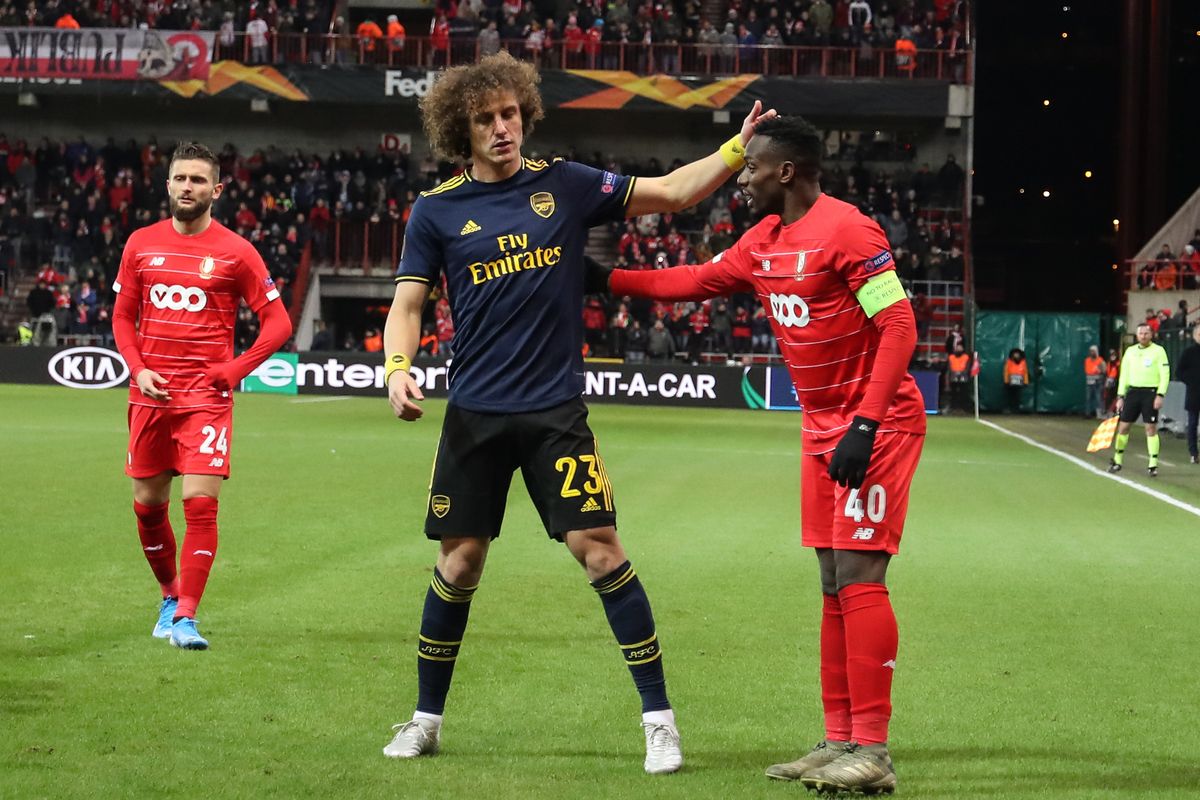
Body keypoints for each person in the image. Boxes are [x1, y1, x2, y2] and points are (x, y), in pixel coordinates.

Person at [380, 50, 776, 773]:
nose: (501, 129)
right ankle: (425, 719)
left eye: (508, 114)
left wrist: (733, 148)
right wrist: (398, 367)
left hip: (554, 412)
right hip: (473, 415)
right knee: (459, 564)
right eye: (484, 120)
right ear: (458, 131)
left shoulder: (566, 184)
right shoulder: (436, 210)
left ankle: (660, 721)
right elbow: (408, 305)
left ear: (524, 114)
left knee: (600, 551)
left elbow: (672, 193)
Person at [591, 115, 924, 795]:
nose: (740, 180)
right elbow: (691, 281)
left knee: (861, 576)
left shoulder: (850, 229)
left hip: (877, 425)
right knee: (833, 581)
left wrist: (864, 424)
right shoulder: (763, 241)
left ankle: (875, 751)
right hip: (821, 430)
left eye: (751, 169)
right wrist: (605, 281)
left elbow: (899, 324)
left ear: (786, 172)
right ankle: (840, 740)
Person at [111, 142, 292, 650]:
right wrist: (138, 368)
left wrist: (234, 370)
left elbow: (277, 323)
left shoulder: (236, 252)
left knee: (200, 506)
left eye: (198, 180)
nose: (187, 187)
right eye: (180, 178)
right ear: (167, 184)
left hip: (205, 403)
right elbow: (123, 317)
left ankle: (187, 617)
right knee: (148, 507)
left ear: (216, 190)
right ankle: (169, 596)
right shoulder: (140, 244)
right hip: (149, 399)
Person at [1108, 323, 1171, 477]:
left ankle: (1153, 464)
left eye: (1146, 333)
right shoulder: (1130, 351)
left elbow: (1165, 374)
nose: (1143, 336)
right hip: (1133, 392)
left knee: (1150, 428)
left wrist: (1160, 394)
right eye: (1140, 333)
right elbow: (1124, 375)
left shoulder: (1159, 351)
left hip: (1150, 392)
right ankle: (1117, 460)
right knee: (1123, 427)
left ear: (1151, 335)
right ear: (1137, 335)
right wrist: (1121, 396)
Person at [1178, 323, 1200, 464]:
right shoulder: (1188, 352)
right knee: (1192, 424)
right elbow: (1179, 371)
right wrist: (1191, 382)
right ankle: (1193, 453)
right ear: (1195, 336)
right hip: (1194, 393)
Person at [1002, 348, 1029, 413]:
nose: (1016, 355)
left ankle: (1016, 409)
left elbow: (1025, 372)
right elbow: (1006, 371)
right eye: (1015, 354)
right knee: (1009, 396)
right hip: (1010, 382)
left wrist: (1025, 382)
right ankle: (1009, 408)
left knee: (1017, 396)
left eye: (1017, 354)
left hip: (1019, 383)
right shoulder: (1009, 362)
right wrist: (1006, 381)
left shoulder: (1023, 362)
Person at [1083, 344, 1106, 419]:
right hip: (1089, 381)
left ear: (1096, 352)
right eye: (1090, 351)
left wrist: (1099, 370)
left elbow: (1104, 370)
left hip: (1098, 382)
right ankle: (1088, 413)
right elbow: (1087, 370)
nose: (1091, 353)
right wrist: (1094, 371)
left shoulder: (1100, 360)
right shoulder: (1087, 360)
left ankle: (1100, 414)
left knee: (1098, 397)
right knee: (1088, 398)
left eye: (1093, 351)